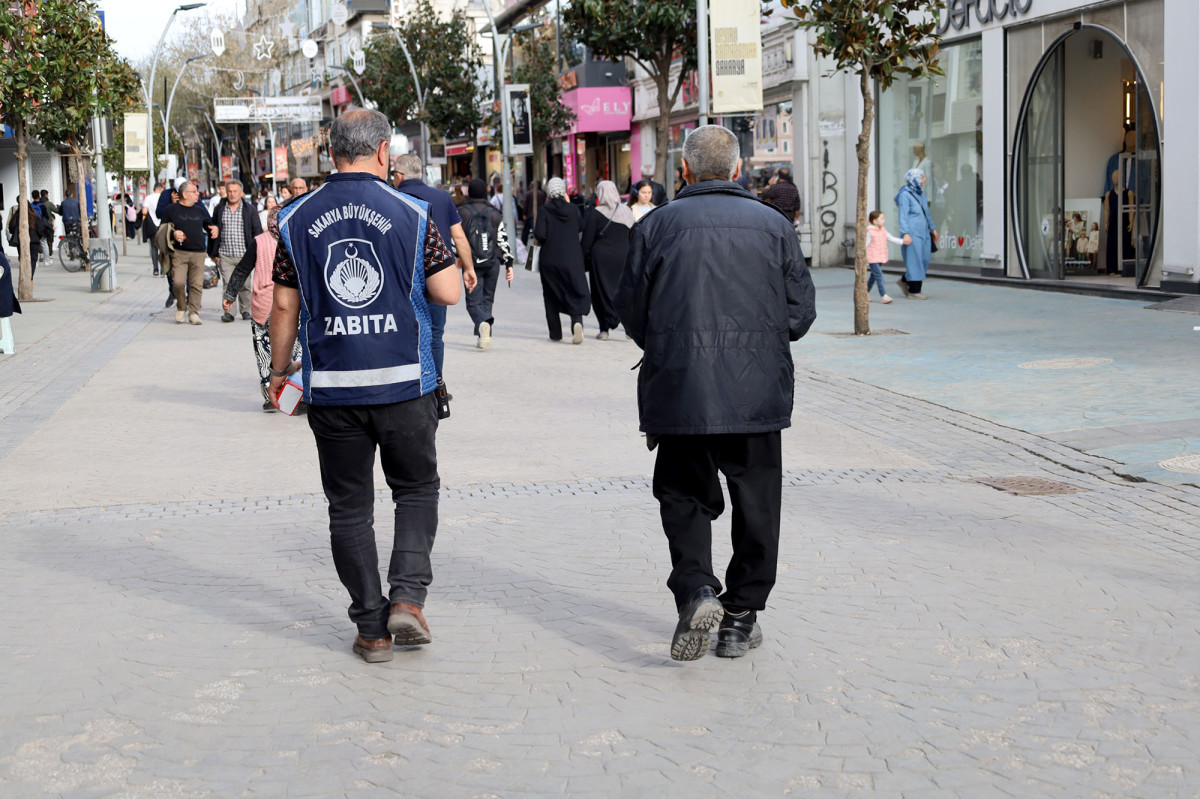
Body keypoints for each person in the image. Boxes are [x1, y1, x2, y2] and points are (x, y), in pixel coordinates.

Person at [266, 108, 462, 664]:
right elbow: (447, 291)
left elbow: (284, 302)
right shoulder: (412, 211)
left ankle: (372, 629)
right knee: (416, 489)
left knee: (349, 508)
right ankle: (408, 598)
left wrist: (281, 373)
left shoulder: (296, 216)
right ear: (383, 154)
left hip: (332, 388)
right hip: (405, 383)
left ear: (332, 155)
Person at [614, 124, 816, 661]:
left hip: (681, 390)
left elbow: (631, 311)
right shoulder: (774, 227)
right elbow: (800, 314)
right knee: (757, 502)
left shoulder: (655, 227)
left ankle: (698, 589)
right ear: (737, 170)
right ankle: (740, 617)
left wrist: (672, 343)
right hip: (755, 392)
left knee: (683, 495)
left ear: (683, 171)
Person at [393, 153, 478, 388]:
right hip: (439, 275)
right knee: (435, 334)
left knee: (404, 333)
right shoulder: (442, 197)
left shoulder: (394, 197)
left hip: (404, 277)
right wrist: (468, 268)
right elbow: (459, 236)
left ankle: (410, 385)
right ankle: (436, 383)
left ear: (399, 176)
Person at [221, 207, 302, 411]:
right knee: (294, 353)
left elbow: (242, 269)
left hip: (263, 306)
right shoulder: (296, 239)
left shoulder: (259, 241)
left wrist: (230, 295)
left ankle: (269, 395)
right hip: (291, 305)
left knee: (265, 353)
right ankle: (293, 397)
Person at [458, 179, 514, 350]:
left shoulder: (462, 212)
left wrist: (456, 258)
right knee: (487, 299)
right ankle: (484, 335)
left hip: (471, 264)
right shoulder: (495, 213)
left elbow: (456, 238)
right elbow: (502, 239)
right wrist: (509, 264)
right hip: (493, 263)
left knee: (473, 302)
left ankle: (482, 324)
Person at [533, 177, 590, 344]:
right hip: (572, 257)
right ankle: (576, 321)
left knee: (550, 293)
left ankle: (556, 332)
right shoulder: (573, 210)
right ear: (564, 191)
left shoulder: (545, 211)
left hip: (549, 258)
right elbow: (581, 226)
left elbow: (540, 234)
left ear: (549, 192)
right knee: (573, 289)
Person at [581, 180, 633, 340]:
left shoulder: (596, 213)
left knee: (601, 292)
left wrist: (580, 258)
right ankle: (628, 327)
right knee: (623, 290)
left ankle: (604, 329)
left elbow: (587, 240)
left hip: (600, 260)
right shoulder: (627, 211)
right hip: (623, 256)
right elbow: (634, 235)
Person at [161, 181, 218, 325]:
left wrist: (214, 228)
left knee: (196, 285)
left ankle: (194, 312)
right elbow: (162, 230)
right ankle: (181, 307)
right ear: (185, 194)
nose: (197, 194)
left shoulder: (199, 210)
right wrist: (173, 233)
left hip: (198, 253)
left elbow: (209, 224)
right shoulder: (171, 210)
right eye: (194, 191)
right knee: (178, 283)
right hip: (179, 253)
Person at [209, 180, 263, 322]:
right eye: (230, 191)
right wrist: (213, 252)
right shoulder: (220, 208)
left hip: (245, 254)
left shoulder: (249, 209)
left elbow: (257, 230)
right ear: (226, 192)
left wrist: (257, 251)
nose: (232, 194)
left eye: (235, 191)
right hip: (225, 253)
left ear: (241, 193)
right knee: (228, 283)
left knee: (245, 284)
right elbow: (213, 229)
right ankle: (229, 312)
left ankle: (246, 310)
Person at [895, 168, 937, 299]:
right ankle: (914, 291)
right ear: (915, 179)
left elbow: (927, 213)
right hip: (912, 233)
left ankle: (905, 280)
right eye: (922, 177)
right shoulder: (905, 195)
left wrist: (932, 229)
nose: (924, 180)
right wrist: (905, 233)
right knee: (915, 260)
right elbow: (903, 216)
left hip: (924, 233)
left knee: (924, 259)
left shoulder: (921, 194)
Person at [865, 210, 902, 304]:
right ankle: (883, 295)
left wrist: (902, 242)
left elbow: (891, 238)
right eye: (881, 218)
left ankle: (864, 293)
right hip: (872, 258)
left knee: (873, 276)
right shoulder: (869, 231)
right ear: (874, 221)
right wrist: (864, 259)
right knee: (879, 276)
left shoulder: (882, 230)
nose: (884, 220)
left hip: (880, 256)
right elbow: (865, 245)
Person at [6, 200, 44, 279]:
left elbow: (11, 229)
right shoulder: (35, 217)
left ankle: (24, 277)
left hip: (21, 242)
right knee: (33, 260)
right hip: (34, 241)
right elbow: (40, 230)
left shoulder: (16, 217)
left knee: (22, 259)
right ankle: (30, 278)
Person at [142, 182, 164, 275]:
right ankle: (163, 269)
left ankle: (155, 269)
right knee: (163, 248)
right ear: (160, 189)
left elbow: (144, 211)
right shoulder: (163, 198)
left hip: (152, 225)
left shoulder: (148, 198)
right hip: (162, 225)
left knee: (154, 247)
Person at [521, 180, 546, 245]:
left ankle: (524, 243)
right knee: (538, 229)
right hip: (540, 214)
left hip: (530, 215)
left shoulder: (528, 194)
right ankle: (539, 243)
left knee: (526, 230)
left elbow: (526, 205)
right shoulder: (542, 194)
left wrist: (524, 213)